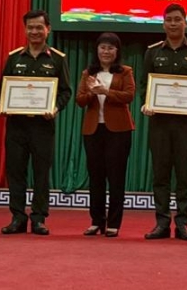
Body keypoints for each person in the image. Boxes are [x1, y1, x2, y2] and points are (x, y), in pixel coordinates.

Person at [0, 10, 71, 235]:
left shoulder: (57, 59)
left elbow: (65, 91)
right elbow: (2, 88)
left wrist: (55, 108)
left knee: (41, 173)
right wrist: (3, 104)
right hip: (17, 126)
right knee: (16, 172)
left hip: (43, 126)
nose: (35, 31)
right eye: (30, 27)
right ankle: (17, 217)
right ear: (25, 30)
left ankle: (39, 218)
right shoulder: (14, 58)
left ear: (48, 29)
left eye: (39, 27)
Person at [141, 3, 187, 242]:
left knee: (184, 175)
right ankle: (161, 222)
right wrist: (146, 103)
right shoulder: (152, 52)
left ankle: (182, 223)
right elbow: (144, 86)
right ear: (163, 24)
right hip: (160, 124)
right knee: (160, 175)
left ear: (185, 23)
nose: (173, 23)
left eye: (177, 19)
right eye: (169, 19)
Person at [76, 33, 135, 237]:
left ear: (117, 51)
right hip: (93, 130)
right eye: (102, 48)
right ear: (97, 50)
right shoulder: (88, 73)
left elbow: (129, 96)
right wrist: (91, 92)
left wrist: (106, 91)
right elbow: (80, 100)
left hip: (119, 130)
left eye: (110, 48)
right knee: (96, 177)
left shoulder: (125, 71)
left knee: (116, 177)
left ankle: (114, 223)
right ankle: (96, 221)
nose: (106, 52)